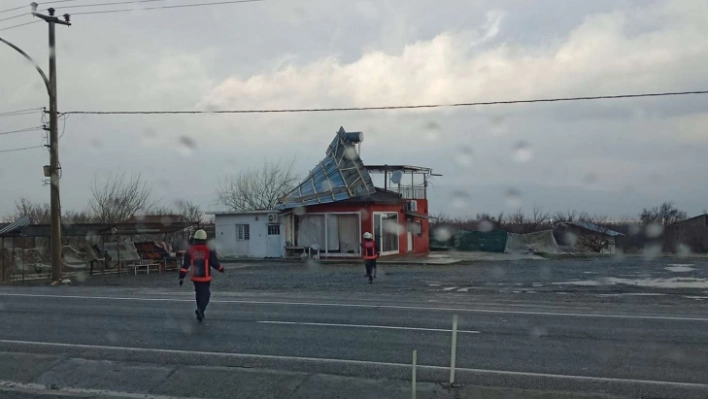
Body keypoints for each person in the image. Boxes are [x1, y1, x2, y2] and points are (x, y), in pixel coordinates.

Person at [179, 229, 223, 322]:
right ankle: (201, 310)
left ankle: (200, 310)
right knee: (206, 294)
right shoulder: (209, 249)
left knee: (198, 293)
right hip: (205, 277)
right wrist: (221, 269)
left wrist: (181, 276)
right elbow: (214, 263)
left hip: (195, 277)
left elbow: (185, 265)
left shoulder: (190, 250)